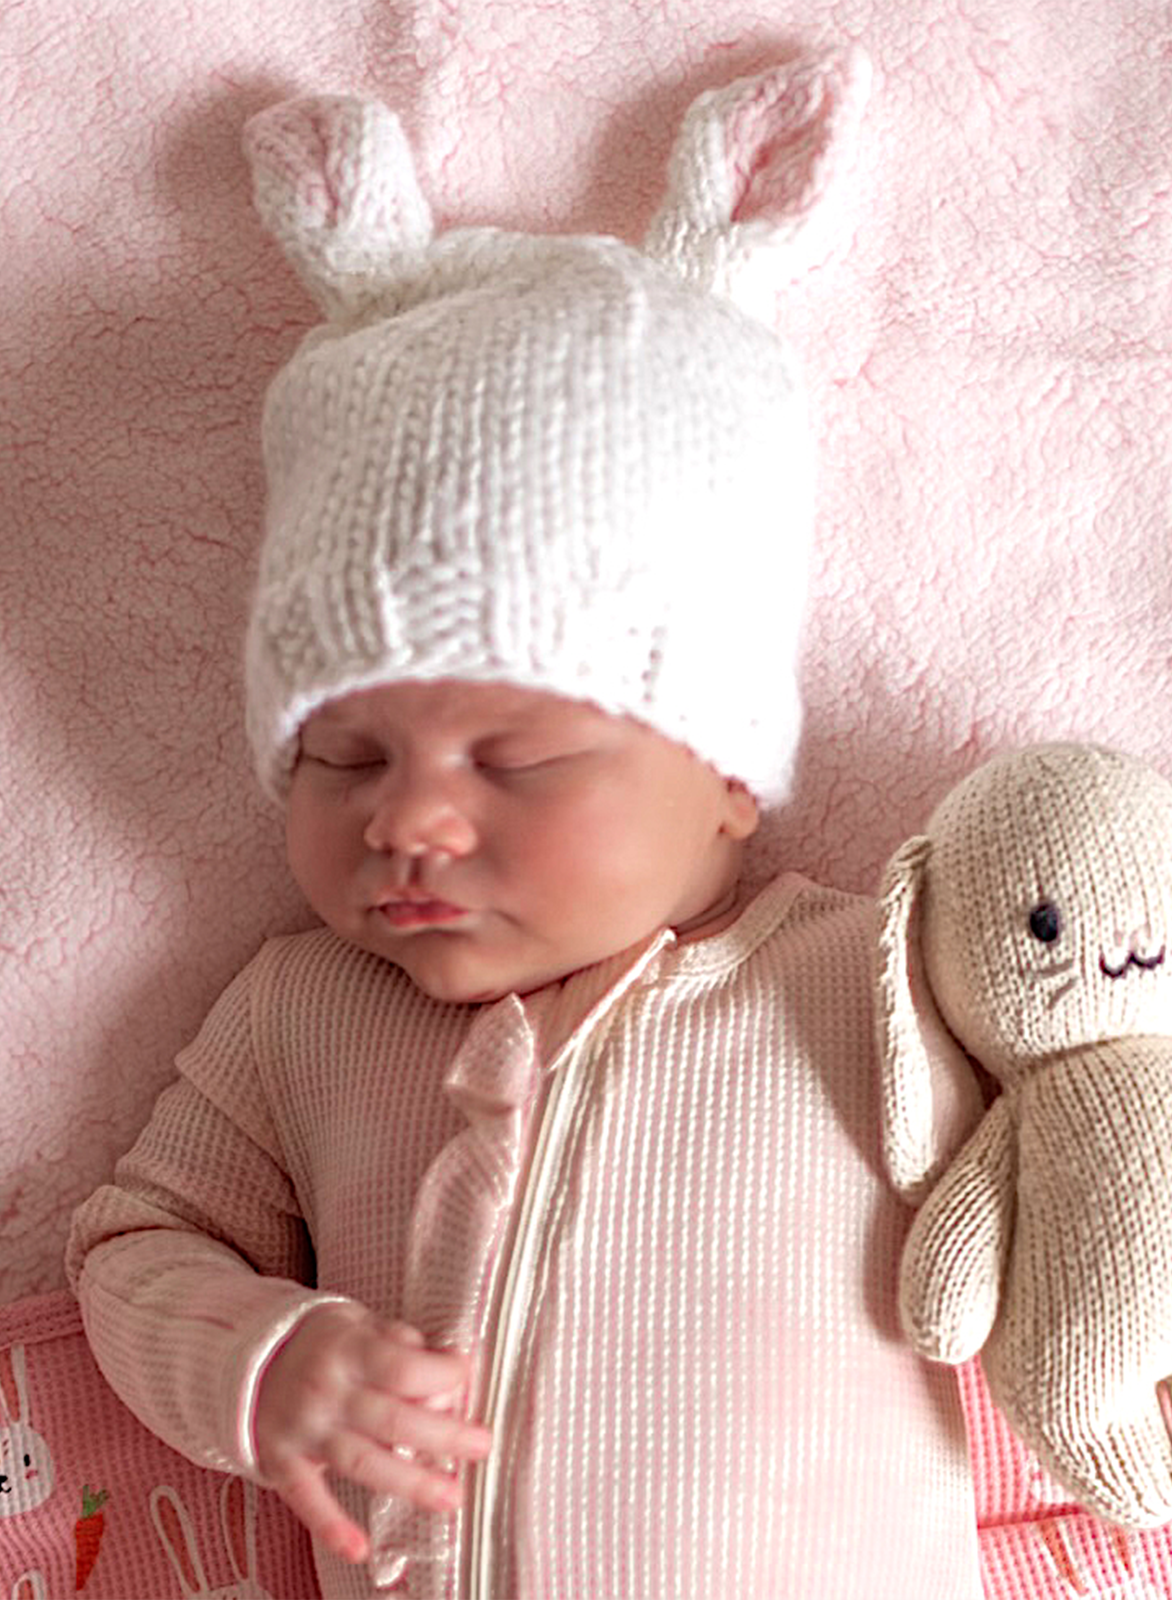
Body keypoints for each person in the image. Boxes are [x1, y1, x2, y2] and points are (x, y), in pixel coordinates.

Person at [68, 54, 985, 1600]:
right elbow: (133, 1243)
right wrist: (257, 1359)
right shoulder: (298, 1011)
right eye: (341, 755)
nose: (411, 817)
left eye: (519, 758)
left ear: (728, 772)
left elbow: (1096, 1127)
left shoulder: (876, 974)